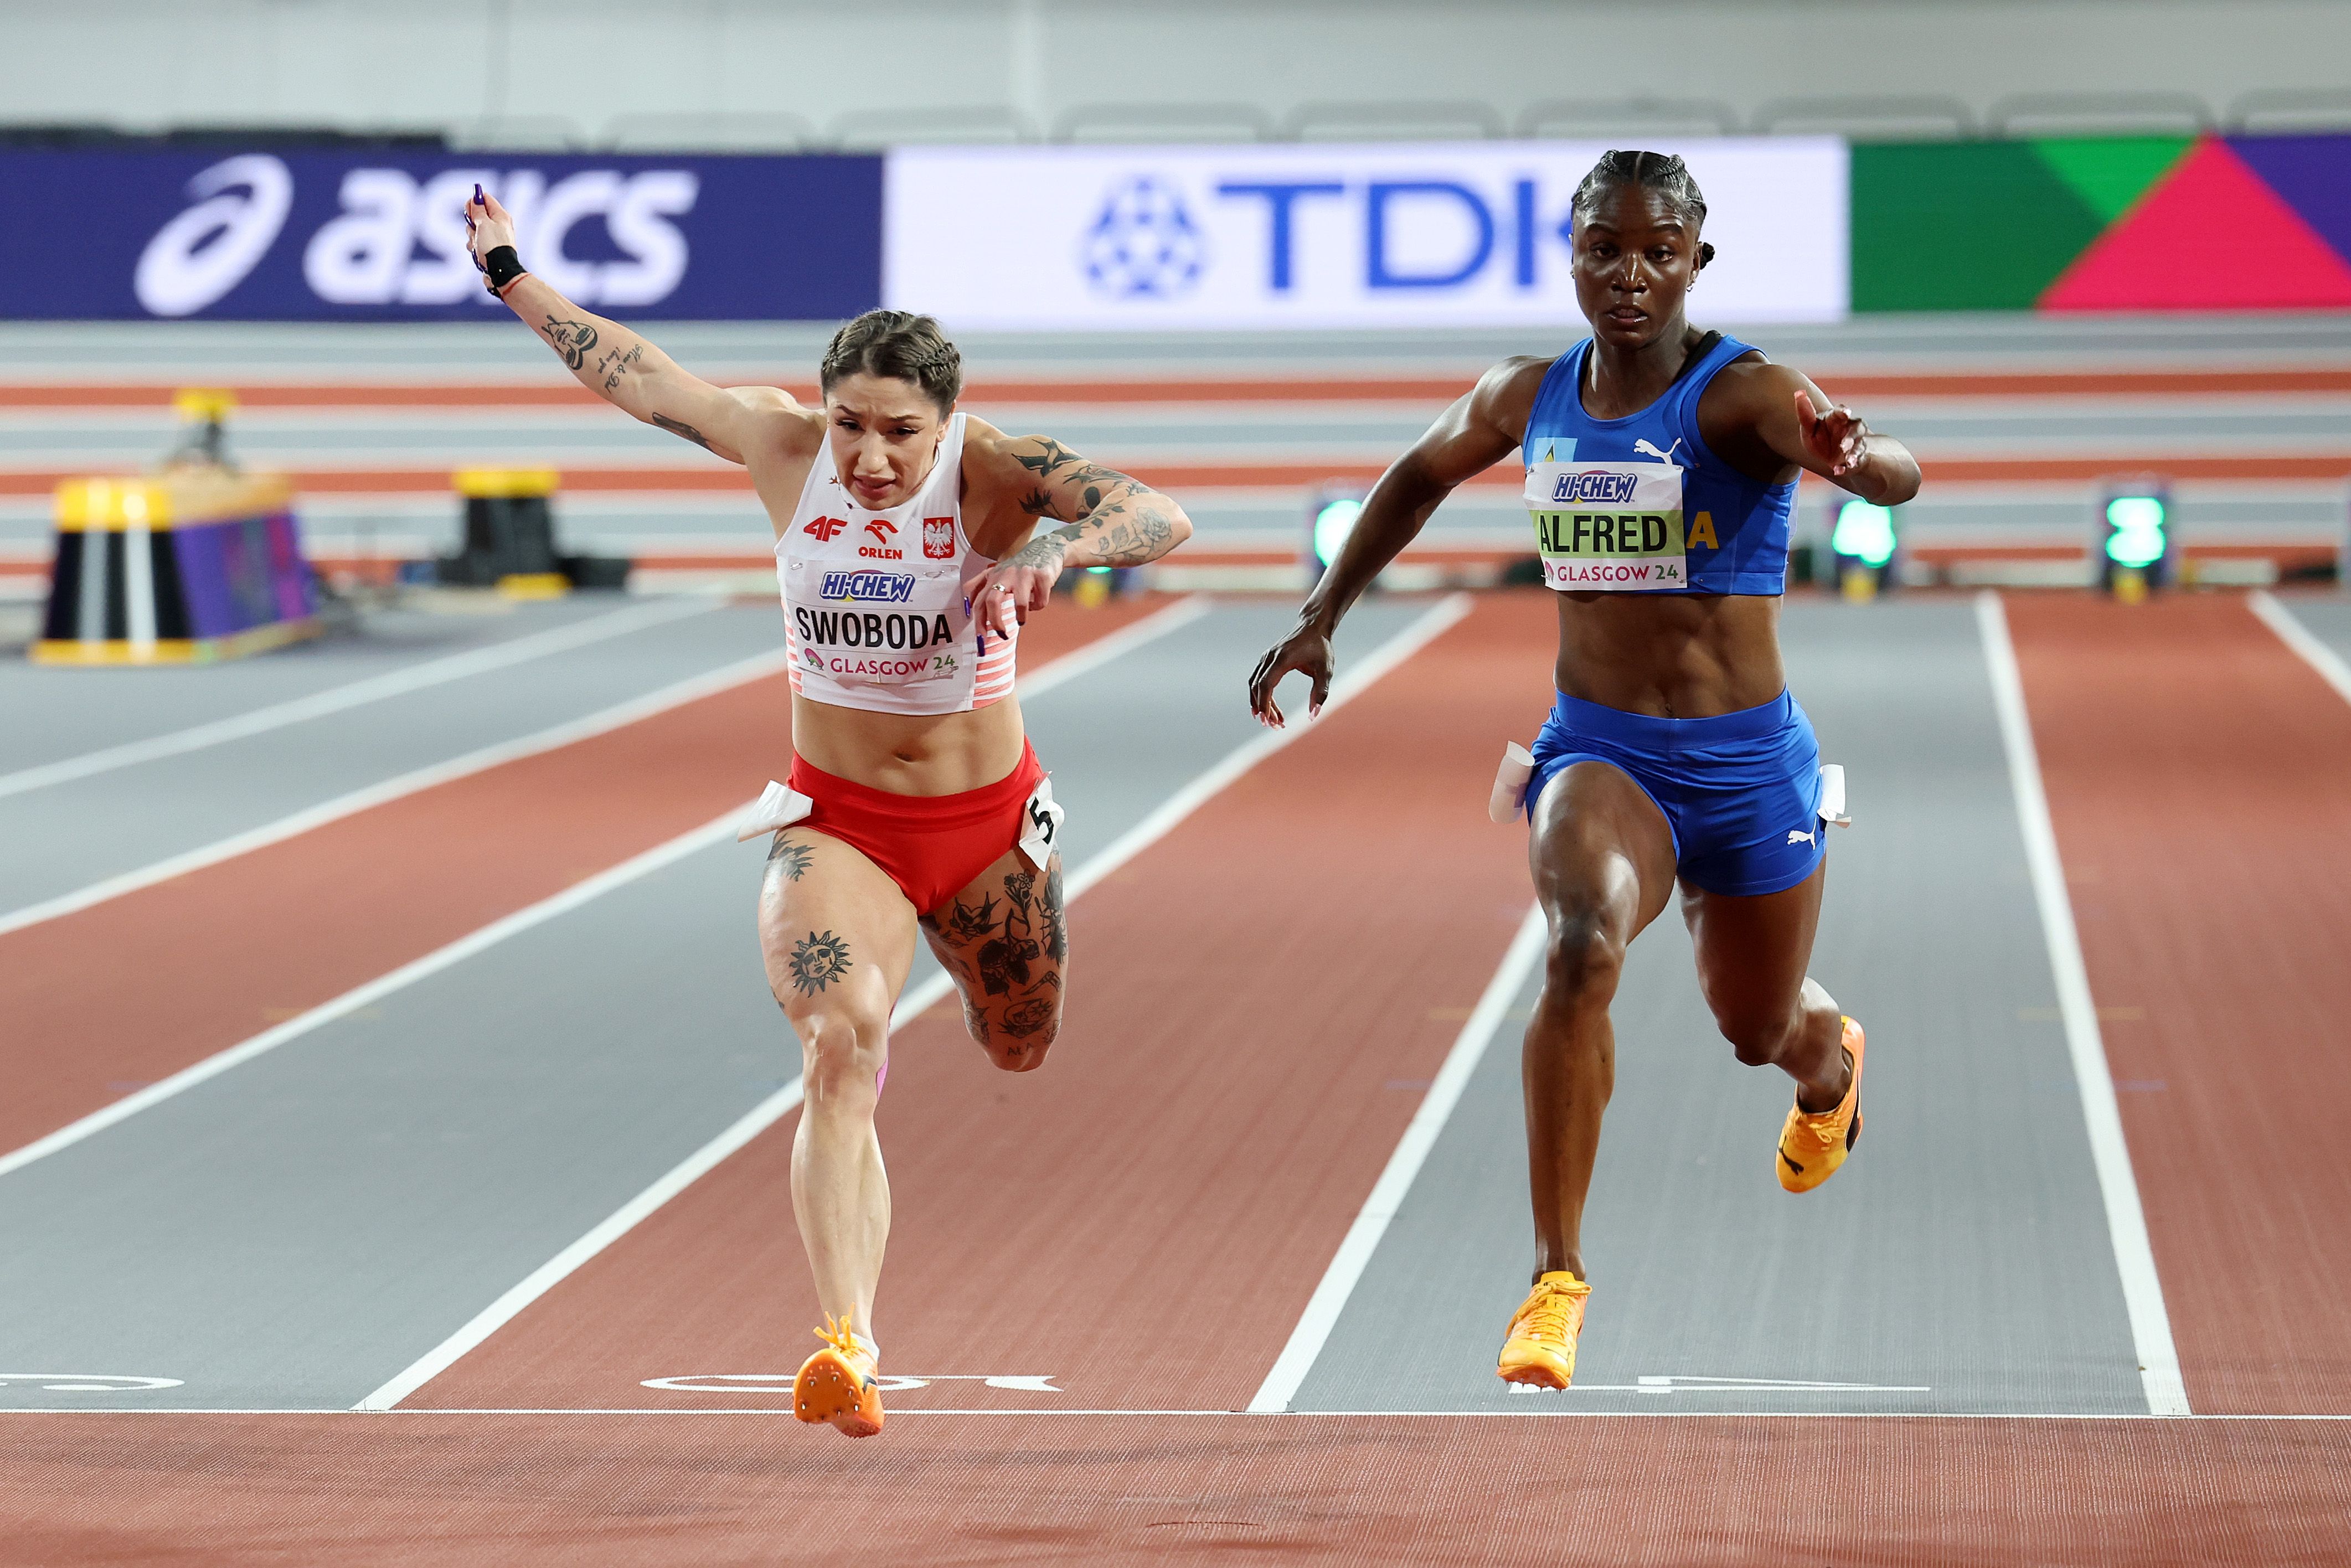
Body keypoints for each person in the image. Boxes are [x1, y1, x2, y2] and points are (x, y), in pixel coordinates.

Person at [463, 187, 1193, 1435]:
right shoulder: (781, 449)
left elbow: (1160, 513)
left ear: (946, 422)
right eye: (849, 422)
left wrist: (1046, 553)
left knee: (1020, 1041)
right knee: (838, 1047)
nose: (867, 457)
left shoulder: (1000, 474)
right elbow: (636, 375)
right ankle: (847, 1345)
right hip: (835, 819)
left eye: (897, 433)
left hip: (986, 828)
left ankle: (982, 1000)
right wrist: (511, 274)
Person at [1246, 151, 1920, 1390]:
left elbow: (1894, 474)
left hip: (1746, 765)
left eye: (1656, 252)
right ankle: (1554, 1283)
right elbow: (1412, 478)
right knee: (1577, 948)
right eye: (1602, 249)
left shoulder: (1747, 393)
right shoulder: (1526, 395)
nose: (1628, 275)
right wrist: (1321, 613)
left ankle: (1829, 1065)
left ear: (1694, 263)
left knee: (1754, 1024)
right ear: (1569, 256)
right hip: (1600, 750)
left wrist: (1854, 457)